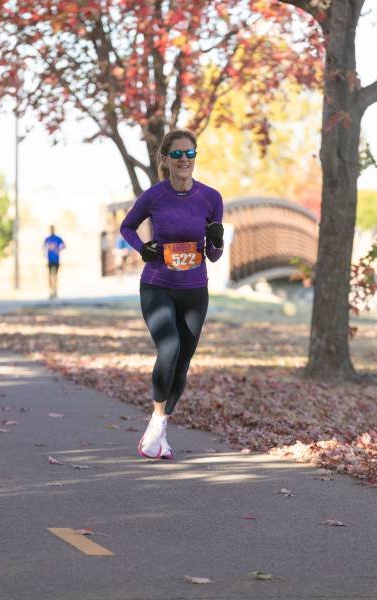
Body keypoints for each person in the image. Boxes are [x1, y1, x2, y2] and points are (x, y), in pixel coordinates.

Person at [120, 129, 224, 459]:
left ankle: (159, 429)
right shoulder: (154, 196)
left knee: (183, 362)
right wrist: (142, 248)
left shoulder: (211, 198)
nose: (184, 159)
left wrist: (217, 239)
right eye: (177, 154)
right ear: (165, 159)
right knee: (169, 348)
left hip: (195, 291)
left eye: (190, 153)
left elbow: (214, 255)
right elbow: (126, 227)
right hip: (157, 286)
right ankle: (155, 424)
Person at [44, 226, 66, 299]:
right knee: (50, 275)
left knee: (55, 276)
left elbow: (64, 245)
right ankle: (50, 291)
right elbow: (44, 247)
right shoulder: (47, 239)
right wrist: (45, 254)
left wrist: (58, 250)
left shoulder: (57, 238)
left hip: (56, 259)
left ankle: (55, 290)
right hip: (50, 259)